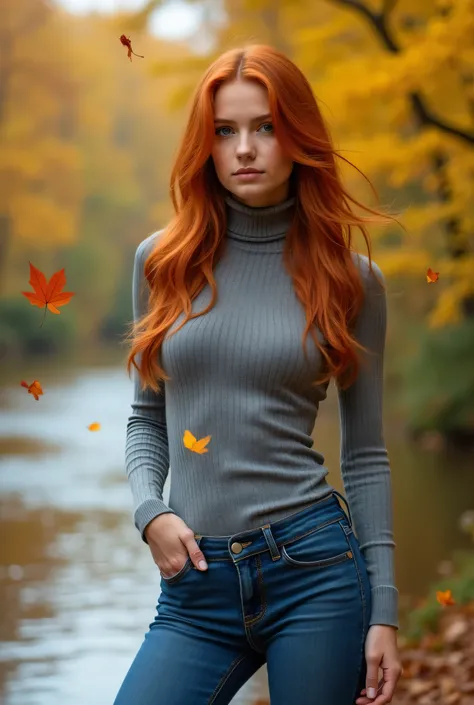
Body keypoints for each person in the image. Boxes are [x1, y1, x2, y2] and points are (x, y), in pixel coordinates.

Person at [114, 44, 403, 705]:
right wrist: (149, 511)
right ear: (206, 144)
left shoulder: (352, 282)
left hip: (314, 572)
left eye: (265, 127)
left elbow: (365, 454)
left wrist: (383, 609)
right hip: (197, 585)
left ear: (297, 136)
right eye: (226, 130)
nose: (245, 148)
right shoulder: (161, 263)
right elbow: (144, 417)